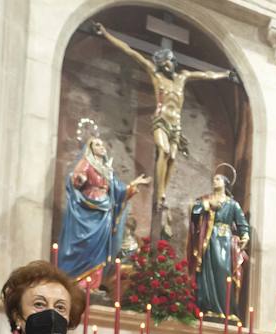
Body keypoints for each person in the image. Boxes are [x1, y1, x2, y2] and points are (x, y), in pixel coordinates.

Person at [93, 22, 232, 211]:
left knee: (173, 156)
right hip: (161, 120)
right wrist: (106, 33)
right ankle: (160, 195)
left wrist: (224, 74)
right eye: (163, 61)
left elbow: (205, 74)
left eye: (169, 61)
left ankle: (163, 192)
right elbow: (131, 51)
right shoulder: (156, 75)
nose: (167, 64)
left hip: (176, 125)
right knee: (164, 151)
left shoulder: (182, 77)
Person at [57, 129, 148, 287]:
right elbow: (75, 179)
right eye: (97, 145)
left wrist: (133, 185)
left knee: (99, 251)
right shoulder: (87, 162)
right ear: (91, 149)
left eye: (102, 144)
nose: (101, 147)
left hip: (104, 213)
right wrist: (80, 178)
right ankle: (78, 283)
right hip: (88, 210)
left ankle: (93, 286)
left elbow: (118, 191)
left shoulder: (107, 170)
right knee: (86, 244)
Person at [188, 165, 250, 318]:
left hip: (224, 240)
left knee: (223, 270)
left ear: (225, 183)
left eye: (218, 179)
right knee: (207, 272)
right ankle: (209, 307)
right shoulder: (206, 199)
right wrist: (207, 206)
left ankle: (226, 309)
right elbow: (194, 211)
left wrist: (245, 235)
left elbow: (242, 223)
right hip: (208, 240)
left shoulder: (232, 204)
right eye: (214, 179)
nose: (214, 182)